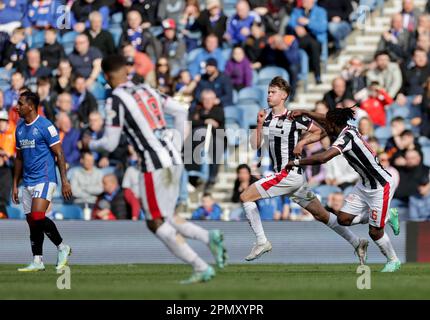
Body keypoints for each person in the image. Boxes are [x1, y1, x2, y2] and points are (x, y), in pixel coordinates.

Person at [82, 54, 227, 284]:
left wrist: (91, 144)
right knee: (167, 216)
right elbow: (180, 110)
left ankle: (200, 266)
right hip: (173, 159)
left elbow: (109, 143)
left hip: (153, 164)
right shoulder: (147, 89)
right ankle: (208, 237)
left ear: (107, 76)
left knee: (154, 221)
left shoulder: (115, 99)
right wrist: (177, 145)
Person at [239, 76, 368, 263]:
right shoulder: (264, 116)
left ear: (283, 95)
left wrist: (303, 142)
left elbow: (321, 131)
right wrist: (259, 125)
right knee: (321, 214)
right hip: (291, 178)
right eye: (268, 92)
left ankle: (261, 241)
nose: (269, 95)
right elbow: (255, 145)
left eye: (273, 92)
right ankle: (357, 242)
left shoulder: (294, 117)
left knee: (245, 196)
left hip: (288, 174)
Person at [286, 107, 402, 272]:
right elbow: (325, 117)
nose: (326, 125)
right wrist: (305, 112)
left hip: (380, 186)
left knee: (375, 232)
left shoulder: (346, 138)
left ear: (334, 124)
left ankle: (393, 260)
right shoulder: (347, 128)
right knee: (343, 219)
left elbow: (324, 158)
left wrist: (296, 162)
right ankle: (387, 215)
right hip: (364, 184)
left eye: (329, 123)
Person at [12, 91, 72, 272]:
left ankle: (62, 247)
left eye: (21, 103)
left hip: (45, 178)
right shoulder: (19, 128)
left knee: (38, 216)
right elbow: (19, 158)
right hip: (27, 181)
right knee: (32, 221)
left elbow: (59, 153)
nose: (17, 106)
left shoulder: (46, 126)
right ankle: (37, 260)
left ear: (30, 106)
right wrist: (15, 184)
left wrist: (65, 181)